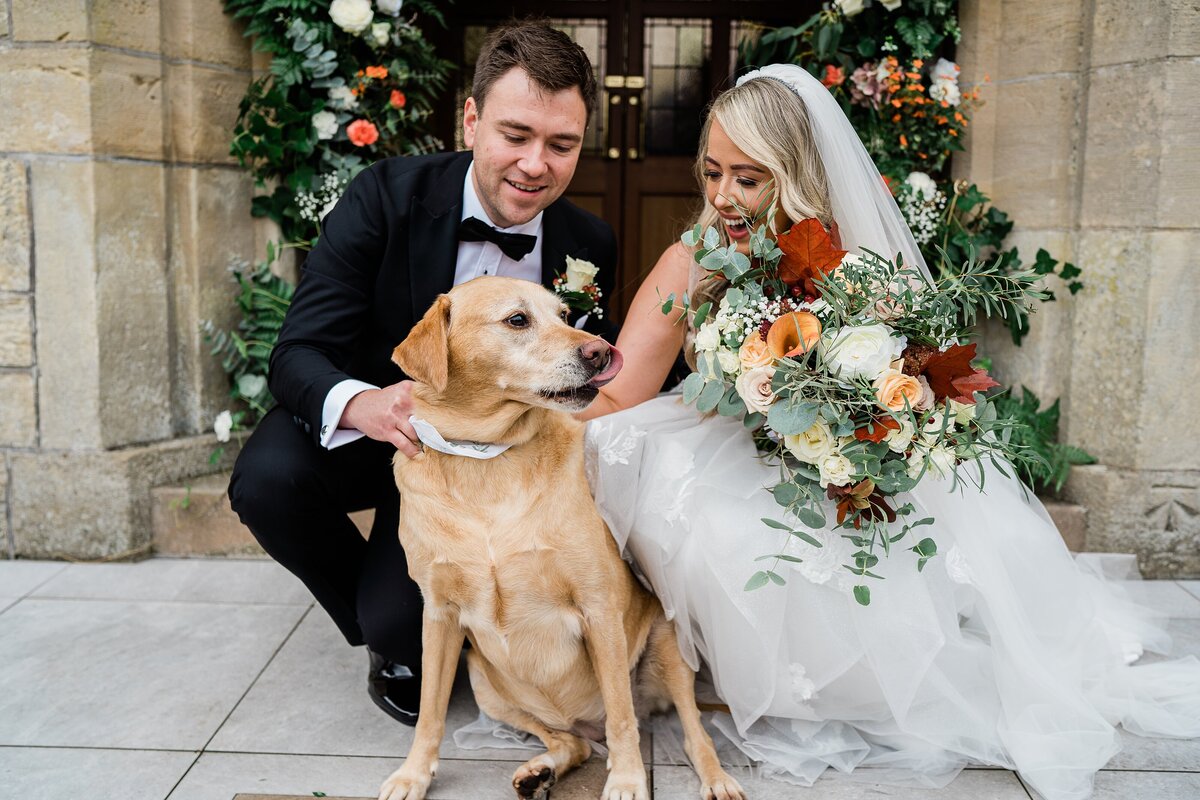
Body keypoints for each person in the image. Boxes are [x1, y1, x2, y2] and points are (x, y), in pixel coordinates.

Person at [576, 65, 1200, 800]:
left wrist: (856, 433)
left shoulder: (856, 267)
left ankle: (856, 672)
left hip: (833, 465)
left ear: (796, 173)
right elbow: (621, 393)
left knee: (890, 565)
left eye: (749, 178)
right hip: (720, 441)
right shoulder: (691, 260)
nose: (722, 196)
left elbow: (904, 385)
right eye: (713, 172)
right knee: (690, 506)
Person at [228, 21, 617, 728]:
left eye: (561, 145)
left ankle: (459, 613)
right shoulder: (384, 196)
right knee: (269, 481)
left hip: (492, 466)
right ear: (470, 120)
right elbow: (297, 352)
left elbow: (578, 380)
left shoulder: (587, 244)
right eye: (516, 135)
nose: (536, 165)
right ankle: (390, 634)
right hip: (382, 439)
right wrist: (368, 405)